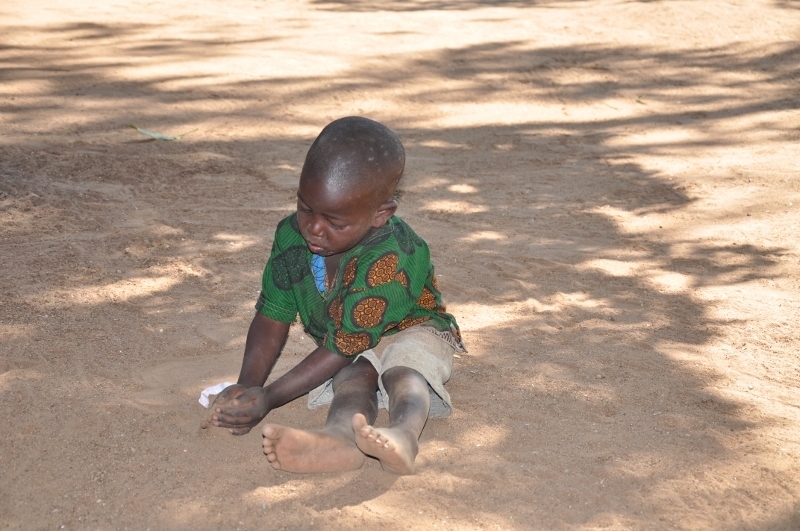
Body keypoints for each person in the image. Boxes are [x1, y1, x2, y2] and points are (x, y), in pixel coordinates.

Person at [202, 116, 465, 475]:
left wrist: (271, 397)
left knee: (404, 370)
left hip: (415, 329)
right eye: (305, 208)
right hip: (348, 340)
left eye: (335, 222)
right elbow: (273, 314)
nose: (314, 228)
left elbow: (342, 346)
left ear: (381, 214)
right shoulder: (292, 237)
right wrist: (248, 387)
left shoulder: (393, 255)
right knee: (352, 378)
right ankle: (340, 439)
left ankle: (404, 436)